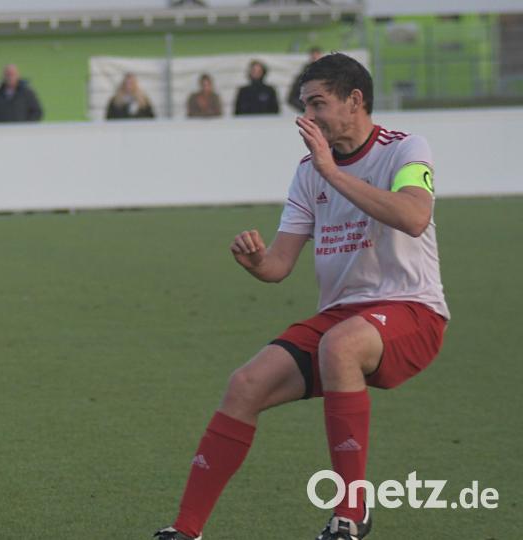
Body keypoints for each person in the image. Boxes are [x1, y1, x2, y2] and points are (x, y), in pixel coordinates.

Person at [154, 53, 448, 540]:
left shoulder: (405, 149)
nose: (306, 119)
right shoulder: (309, 171)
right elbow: (279, 265)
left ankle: (350, 514)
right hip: (341, 316)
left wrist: (332, 171)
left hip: (411, 309)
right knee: (245, 384)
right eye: (303, 106)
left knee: (340, 344)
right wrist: (256, 262)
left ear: (355, 101)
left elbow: (414, 217)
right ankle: (184, 530)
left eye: (317, 104)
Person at [288, 47, 325, 112]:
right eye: (313, 57)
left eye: (317, 56)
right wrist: (306, 109)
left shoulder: (330, 76)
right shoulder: (302, 77)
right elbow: (292, 98)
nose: (315, 59)